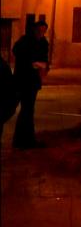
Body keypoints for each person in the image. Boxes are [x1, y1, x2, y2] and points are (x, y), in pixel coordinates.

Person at [12, 19, 49, 148]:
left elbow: (44, 59)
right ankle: (22, 141)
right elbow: (16, 51)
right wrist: (30, 62)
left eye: (44, 31)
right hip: (22, 80)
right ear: (35, 30)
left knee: (28, 110)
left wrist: (43, 67)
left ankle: (25, 140)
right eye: (39, 30)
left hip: (33, 82)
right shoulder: (25, 40)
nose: (41, 33)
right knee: (23, 110)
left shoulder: (43, 43)